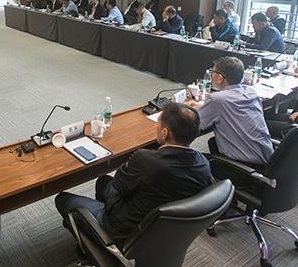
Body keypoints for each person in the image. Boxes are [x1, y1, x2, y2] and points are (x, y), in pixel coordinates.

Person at [54, 102, 212, 244]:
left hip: (126, 230)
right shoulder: (203, 164)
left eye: (158, 124)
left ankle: (102, 236)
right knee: (103, 181)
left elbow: (120, 186)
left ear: (164, 133)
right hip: (163, 231)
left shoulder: (145, 159)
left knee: (62, 199)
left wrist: (132, 164)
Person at [197, 56, 274, 166]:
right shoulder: (251, 92)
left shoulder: (217, 99)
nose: (211, 75)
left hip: (246, 166)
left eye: (212, 72)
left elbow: (197, 124)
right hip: (269, 160)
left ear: (220, 78)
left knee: (194, 160)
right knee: (213, 142)